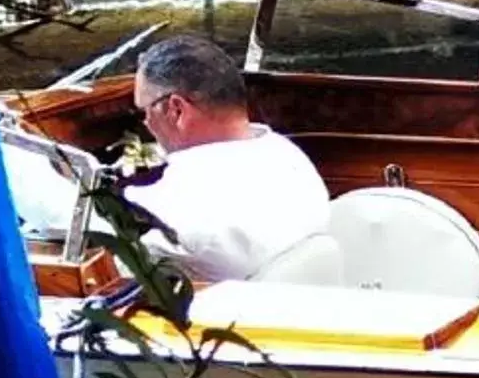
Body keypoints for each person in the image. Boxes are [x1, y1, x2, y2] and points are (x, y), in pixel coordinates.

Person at [126, 35, 331, 280]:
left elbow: (117, 268)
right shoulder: (290, 157)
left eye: (145, 111)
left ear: (176, 110)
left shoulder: (184, 206)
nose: (147, 123)